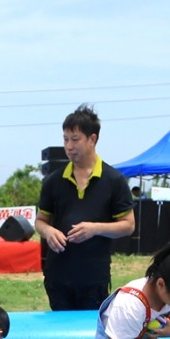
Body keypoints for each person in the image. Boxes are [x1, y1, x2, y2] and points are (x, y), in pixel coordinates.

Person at [35, 104, 136, 311]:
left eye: (75, 139)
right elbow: (40, 221)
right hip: (58, 276)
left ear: (92, 139)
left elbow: (128, 225)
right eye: (65, 139)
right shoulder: (53, 181)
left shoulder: (113, 180)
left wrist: (95, 228)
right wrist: (49, 231)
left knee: (93, 334)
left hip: (94, 277)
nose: (69, 146)